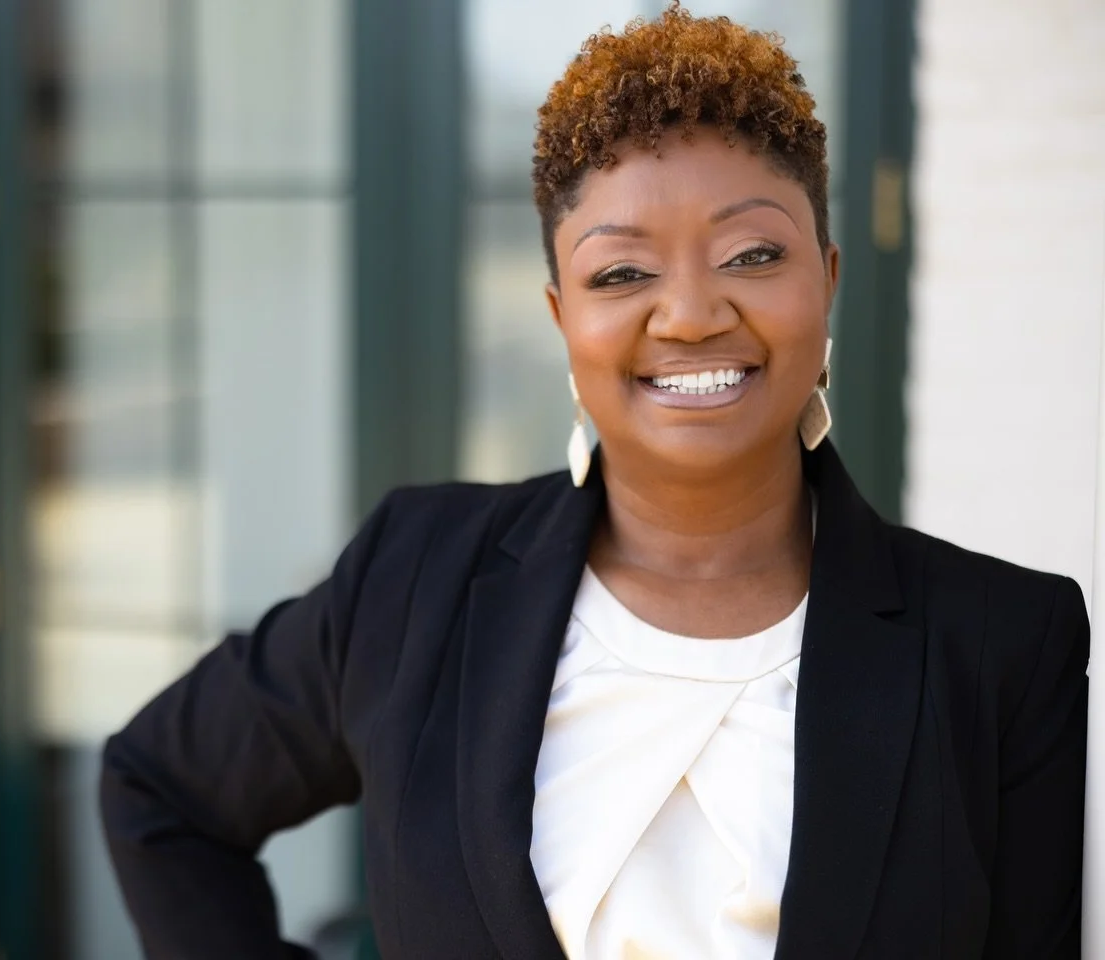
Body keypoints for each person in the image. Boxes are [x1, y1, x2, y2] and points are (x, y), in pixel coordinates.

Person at [100, 5, 1089, 958]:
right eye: (621, 274)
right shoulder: (414, 580)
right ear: (560, 313)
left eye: (753, 254)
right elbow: (161, 787)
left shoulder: (1000, 645)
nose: (693, 314)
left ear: (827, 279)